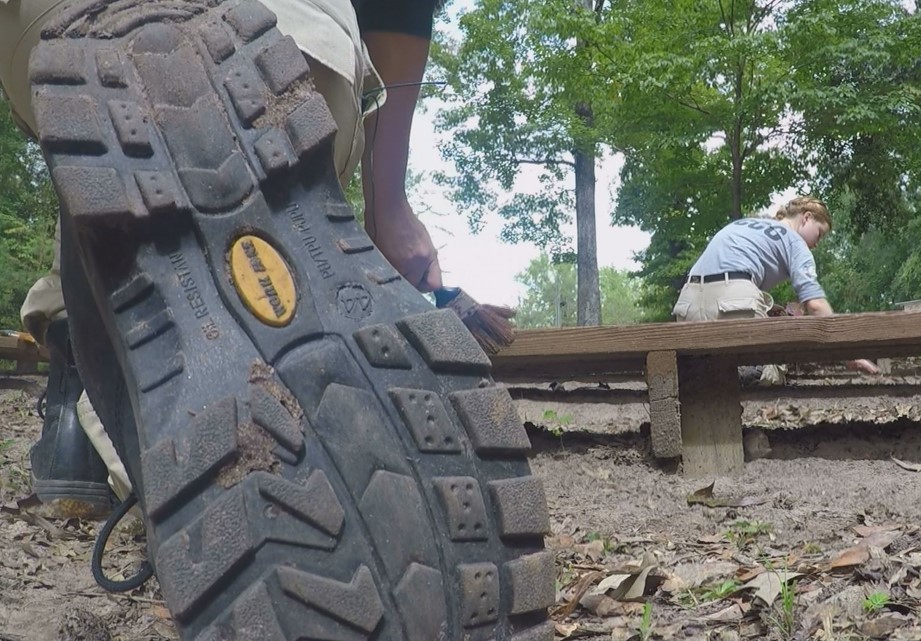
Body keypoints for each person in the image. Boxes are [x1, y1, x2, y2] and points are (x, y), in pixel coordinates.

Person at [0, 1, 554, 639]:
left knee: (113, 178)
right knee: (269, 127)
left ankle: (74, 368)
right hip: (289, 36)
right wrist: (390, 200)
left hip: (54, 27)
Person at [673, 196, 879, 377]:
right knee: (769, 370)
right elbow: (815, 305)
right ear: (806, 217)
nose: (816, 244)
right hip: (732, 302)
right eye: (819, 234)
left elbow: (721, 279)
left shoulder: (743, 224)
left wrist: (767, 307)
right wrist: (848, 352)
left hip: (687, 303)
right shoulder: (795, 243)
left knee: (705, 370)